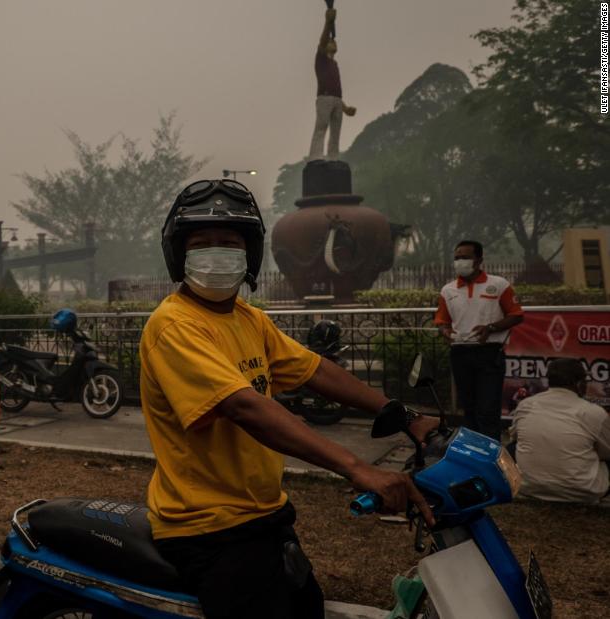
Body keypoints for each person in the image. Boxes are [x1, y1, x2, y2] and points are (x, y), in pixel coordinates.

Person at [142, 179, 436, 619]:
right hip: (210, 527)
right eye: (203, 243)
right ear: (179, 255)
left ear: (250, 254)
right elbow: (244, 406)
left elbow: (315, 370)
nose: (217, 252)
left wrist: (402, 413)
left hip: (265, 513)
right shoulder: (175, 325)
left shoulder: (248, 319)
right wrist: (355, 467)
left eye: (228, 242)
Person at [433, 240, 524, 440]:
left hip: (489, 354)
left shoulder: (498, 284)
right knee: (469, 410)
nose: (460, 262)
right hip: (460, 353)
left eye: (465, 257)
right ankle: (473, 457)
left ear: (479, 260)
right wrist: (445, 331)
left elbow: (516, 315)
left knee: (488, 410)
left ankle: (491, 462)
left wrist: (491, 328)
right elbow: (442, 320)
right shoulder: (448, 290)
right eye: (457, 258)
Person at [513, 358, 610, 504]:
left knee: (513, 447)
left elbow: (517, 438)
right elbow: (607, 452)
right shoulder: (593, 412)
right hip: (582, 491)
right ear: (579, 384)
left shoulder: (526, 405)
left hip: (529, 487)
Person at [308, 7, 356, 161]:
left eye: (333, 40)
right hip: (324, 98)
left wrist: (345, 107)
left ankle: (333, 156)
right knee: (321, 127)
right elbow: (322, 40)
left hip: (335, 99)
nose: (333, 41)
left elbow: (337, 91)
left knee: (336, 131)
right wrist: (328, 22)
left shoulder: (335, 64)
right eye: (331, 41)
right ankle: (315, 156)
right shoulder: (321, 59)